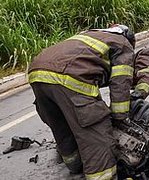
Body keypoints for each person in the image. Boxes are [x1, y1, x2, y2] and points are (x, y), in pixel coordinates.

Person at [28, 24, 135, 180]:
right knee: (97, 139)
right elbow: (121, 82)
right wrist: (119, 118)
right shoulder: (122, 43)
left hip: (36, 73)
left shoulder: (88, 36)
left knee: (62, 127)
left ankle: (74, 165)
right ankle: (102, 176)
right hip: (68, 76)